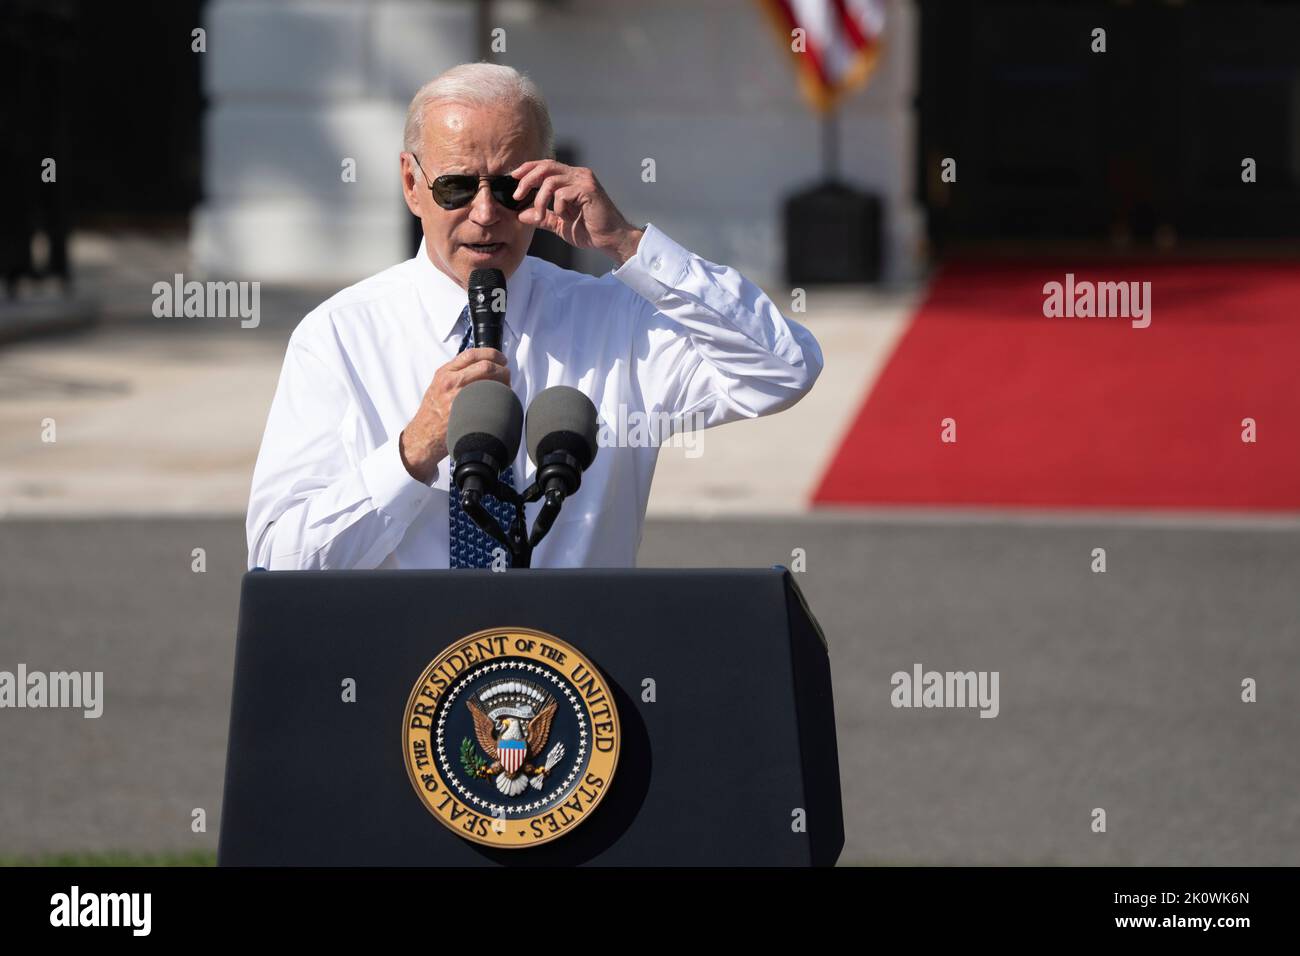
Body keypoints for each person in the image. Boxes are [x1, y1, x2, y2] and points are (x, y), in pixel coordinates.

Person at [246, 62, 823, 570]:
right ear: (410, 183)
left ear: (548, 179)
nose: (484, 213)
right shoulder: (340, 336)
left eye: (510, 187)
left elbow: (783, 368)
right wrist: (412, 450)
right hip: (410, 680)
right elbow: (280, 560)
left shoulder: (615, 322)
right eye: (455, 186)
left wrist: (629, 244)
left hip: (580, 677)